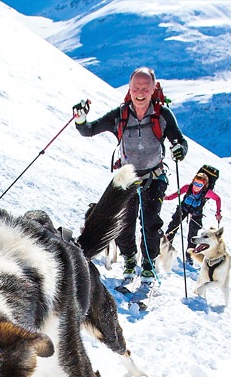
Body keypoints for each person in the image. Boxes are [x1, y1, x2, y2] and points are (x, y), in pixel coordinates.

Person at [73, 67, 188, 285]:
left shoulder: (162, 115)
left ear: (154, 89)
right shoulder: (120, 115)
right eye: (136, 87)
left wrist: (179, 149)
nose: (140, 92)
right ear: (130, 88)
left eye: (145, 87)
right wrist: (80, 119)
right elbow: (89, 129)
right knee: (124, 223)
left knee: (151, 222)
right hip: (128, 176)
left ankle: (148, 264)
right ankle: (129, 260)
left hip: (155, 176)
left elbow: (180, 141)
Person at [163, 169, 222, 263]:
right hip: (183, 209)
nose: (196, 187)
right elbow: (176, 194)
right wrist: (166, 198)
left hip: (196, 213)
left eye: (200, 185)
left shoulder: (207, 192)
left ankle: (189, 255)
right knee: (172, 227)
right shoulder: (187, 187)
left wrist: (218, 213)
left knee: (192, 234)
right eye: (195, 183)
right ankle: (165, 248)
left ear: (204, 185)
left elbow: (218, 199)